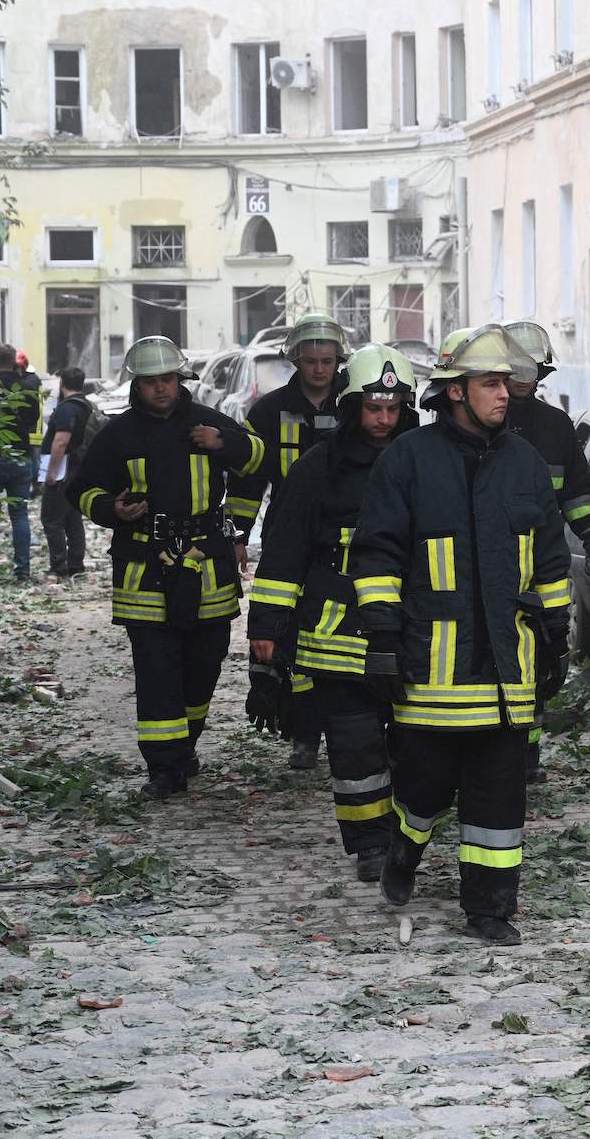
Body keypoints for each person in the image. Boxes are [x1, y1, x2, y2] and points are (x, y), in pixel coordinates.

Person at [351, 326, 571, 945]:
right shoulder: (408, 460)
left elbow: (549, 558)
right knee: (423, 786)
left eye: (506, 382)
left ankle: (490, 908)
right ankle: (404, 847)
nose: (505, 394)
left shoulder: (524, 463)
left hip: (507, 667)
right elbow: (376, 557)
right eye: (491, 383)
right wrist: (385, 641)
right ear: (454, 391)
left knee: (500, 795)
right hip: (431, 667)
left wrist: (557, 630)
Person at [66, 337, 265, 799]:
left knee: (204, 663)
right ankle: (165, 769)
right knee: (157, 670)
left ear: (181, 381)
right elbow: (80, 489)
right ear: (137, 385)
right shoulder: (118, 435)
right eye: (152, 382)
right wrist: (112, 508)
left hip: (207, 563)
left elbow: (259, 460)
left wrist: (227, 445)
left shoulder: (210, 424)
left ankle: (186, 744)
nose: (161, 389)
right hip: (143, 567)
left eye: (168, 380)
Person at [246, 345, 418, 882]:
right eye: (373, 408)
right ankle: (370, 843)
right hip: (334, 628)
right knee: (353, 742)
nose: (383, 420)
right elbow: (283, 552)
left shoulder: (424, 461)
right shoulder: (318, 466)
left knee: (412, 741)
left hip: (411, 623)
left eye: (393, 409)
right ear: (350, 407)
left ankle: (408, 834)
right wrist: (267, 631)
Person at [226, 311, 348, 771]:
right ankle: (303, 734)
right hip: (289, 539)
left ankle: (349, 731)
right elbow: (247, 481)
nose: (319, 369)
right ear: (295, 359)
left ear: (339, 361)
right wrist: (237, 534)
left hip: (346, 542)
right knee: (291, 637)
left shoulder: (354, 405)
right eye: (311, 360)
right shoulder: (268, 410)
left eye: (327, 361)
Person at [499, 320, 590, 782]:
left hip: (542, 562)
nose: (523, 381)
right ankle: (488, 754)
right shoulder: (484, 417)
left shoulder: (555, 426)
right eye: (515, 371)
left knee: (544, 654)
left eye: (532, 372)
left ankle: (527, 757)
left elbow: (578, 493)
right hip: (485, 561)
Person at [0, 343, 42, 586]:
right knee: (19, 515)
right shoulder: (27, 387)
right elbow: (34, 419)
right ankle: (22, 573)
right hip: (20, 458)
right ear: (15, 361)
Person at [39, 366, 95, 580]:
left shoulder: (67, 409)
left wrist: (52, 472)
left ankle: (59, 566)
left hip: (64, 469)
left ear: (62, 383)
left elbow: (61, 441)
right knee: (72, 517)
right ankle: (76, 565)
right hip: (79, 469)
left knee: (51, 519)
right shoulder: (86, 405)